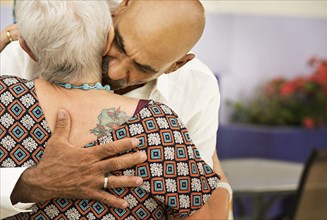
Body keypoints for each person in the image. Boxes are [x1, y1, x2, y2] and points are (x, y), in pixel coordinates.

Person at [0, 0, 230, 219]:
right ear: (122, 7)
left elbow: (194, 206)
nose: (116, 73)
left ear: (176, 65)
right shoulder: (41, 45)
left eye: (142, 68)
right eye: (119, 44)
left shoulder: (195, 89)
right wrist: (30, 183)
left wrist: (218, 187)